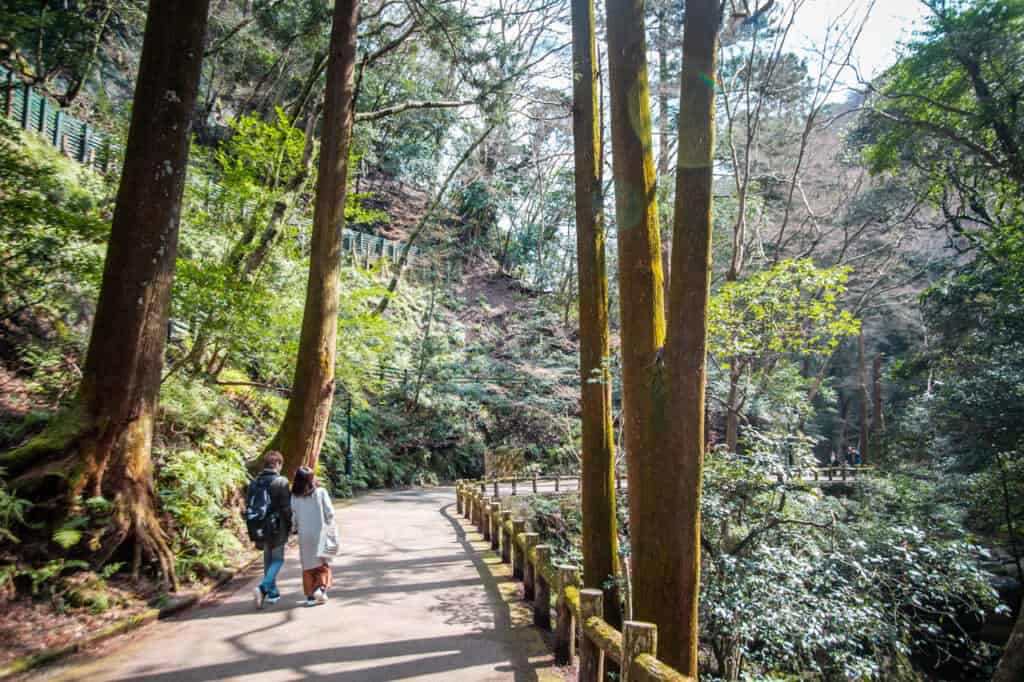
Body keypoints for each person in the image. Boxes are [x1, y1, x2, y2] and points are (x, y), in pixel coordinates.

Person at [248, 451, 292, 609]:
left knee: (268, 558)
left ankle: (272, 593)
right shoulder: (281, 481)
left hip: (258, 526)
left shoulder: (254, 482)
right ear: (278, 464)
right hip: (277, 526)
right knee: (278, 559)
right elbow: (286, 508)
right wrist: (290, 526)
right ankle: (262, 588)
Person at [291, 466, 336, 606]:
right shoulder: (321, 492)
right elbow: (330, 513)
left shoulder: (294, 497)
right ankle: (320, 588)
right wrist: (331, 527)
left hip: (304, 535)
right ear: (312, 479)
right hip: (322, 532)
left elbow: (293, 518)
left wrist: (294, 528)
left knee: (308, 566)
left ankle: (310, 597)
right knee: (323, 563)